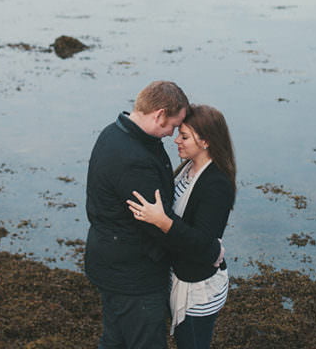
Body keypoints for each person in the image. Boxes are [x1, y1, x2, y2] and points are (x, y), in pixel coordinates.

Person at [85, 82, 222, 349]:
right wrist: (208, 251)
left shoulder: (113, 133)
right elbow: (156, 225)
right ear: (159, 114)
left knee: (115, 340)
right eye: (173, 125)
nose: (173, 134)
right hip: (133, 275)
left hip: (108, 261)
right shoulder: (132, 159)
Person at [127, 104, 236, 349]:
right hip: (179, 278)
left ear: (206, 142)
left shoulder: (216, 185)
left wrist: (162, 221)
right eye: (178, 133)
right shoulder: (188, 169)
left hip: (198, 292)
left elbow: (203, 246)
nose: (176, 140)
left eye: (184, 136)